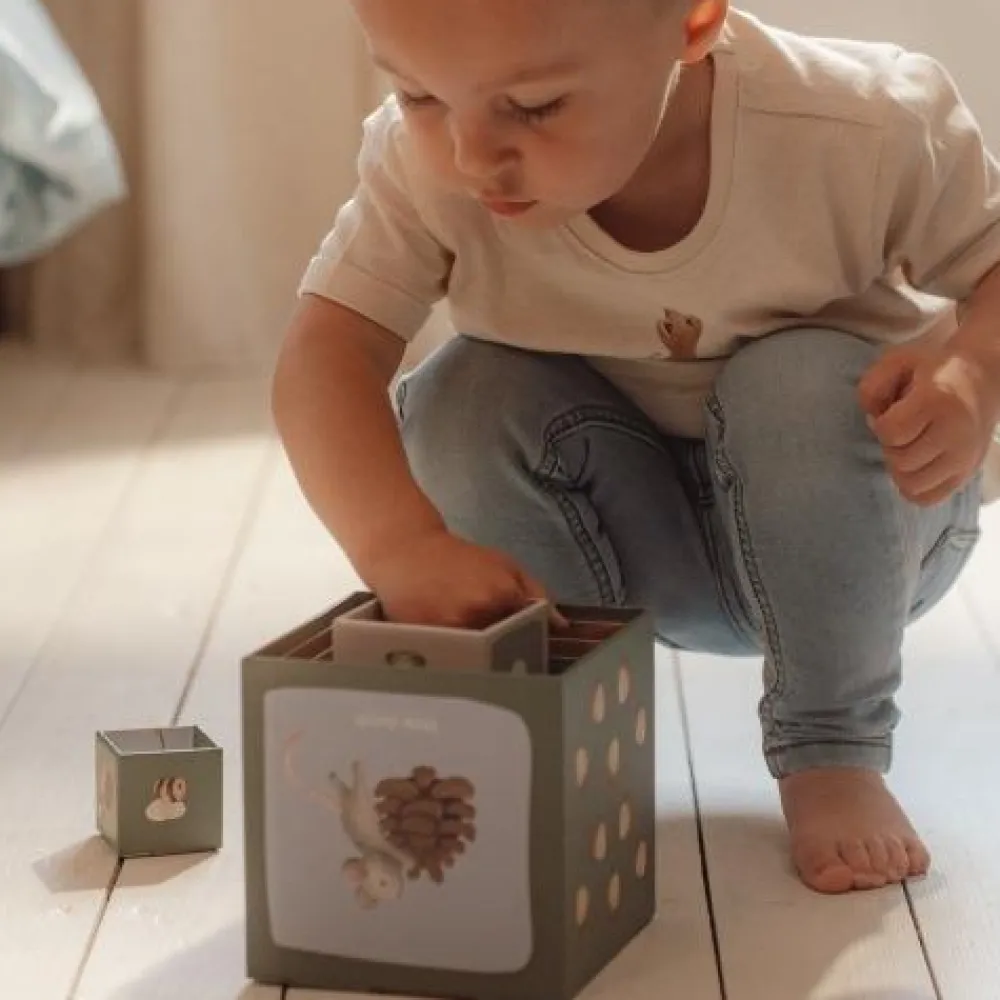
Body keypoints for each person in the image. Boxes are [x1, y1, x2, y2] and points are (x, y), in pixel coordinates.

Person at [271, 0, 1000, 896]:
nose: (471, 156)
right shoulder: (427, 172)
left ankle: (833, 750)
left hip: (863, 530)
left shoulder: (857, 122)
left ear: (692, 24)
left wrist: (973, 373)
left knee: (797, 382)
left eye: (534, 107)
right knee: (465, 393)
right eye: (420, 95)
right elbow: (325, 353)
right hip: (629, 540)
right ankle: (559, 727)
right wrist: (400, 546)